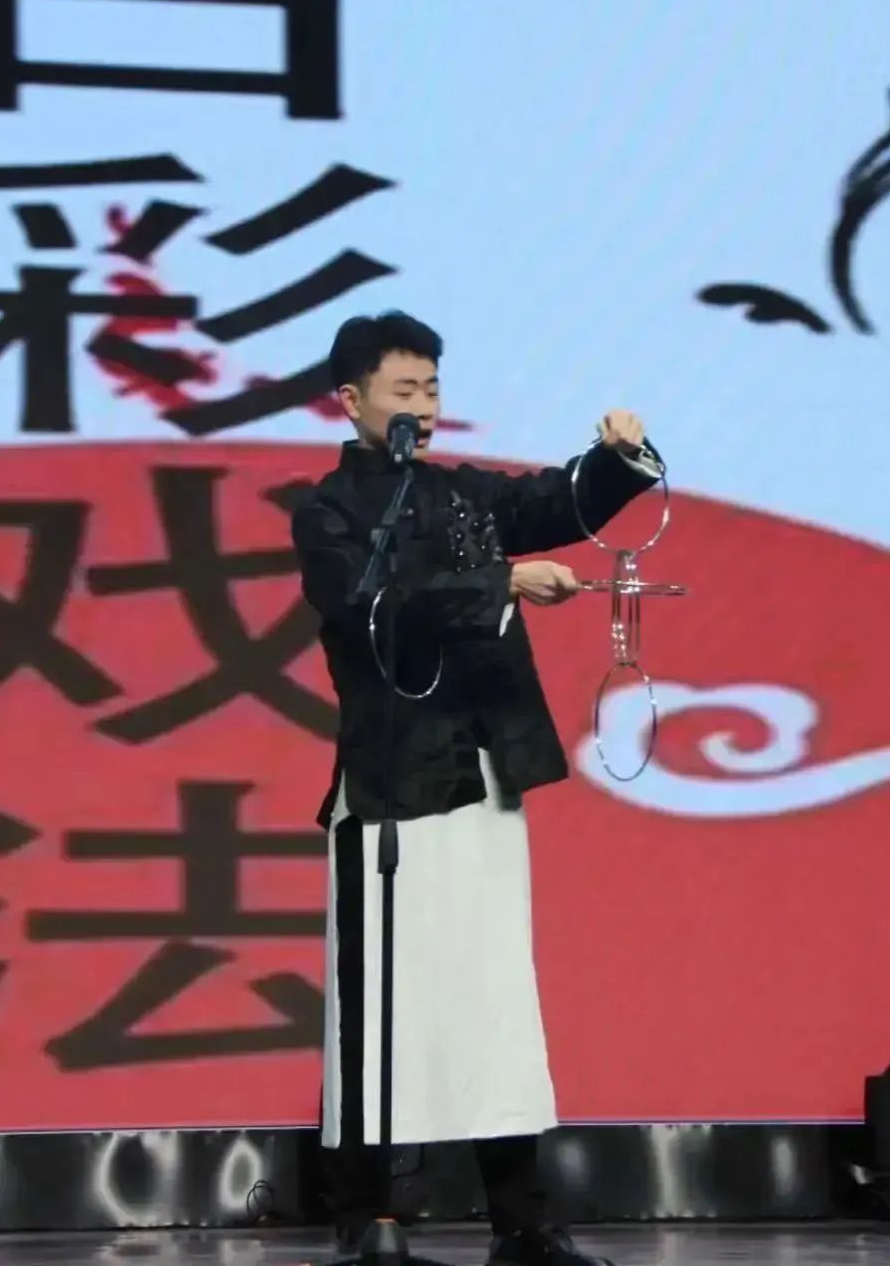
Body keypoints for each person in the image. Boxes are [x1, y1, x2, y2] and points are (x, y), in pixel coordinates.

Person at [291, 311, 663, 1266]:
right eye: (403, 391)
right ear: (352, 402)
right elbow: (368, 606)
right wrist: (502, 583)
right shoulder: (328, 512)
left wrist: (615, 459)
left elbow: (551, 504)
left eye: (432, 390)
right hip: (389, 783)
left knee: (497, 994)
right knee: (380, 1004)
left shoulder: (461, 495)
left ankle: (521, 1220)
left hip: (484, 771)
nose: (422, 407)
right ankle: (368, 1214)